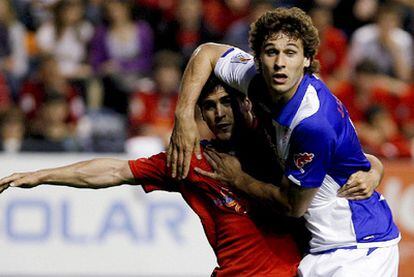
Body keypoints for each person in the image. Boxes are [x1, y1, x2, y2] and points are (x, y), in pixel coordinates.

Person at [0, 76, 383, 276]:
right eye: (208, 107)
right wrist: (40, 174)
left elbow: (341, 157)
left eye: (225, 103)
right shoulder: (194, 160)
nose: (218, 114)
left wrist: (374, 168)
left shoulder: (274, 144)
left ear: (244, 103)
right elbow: (115, 170)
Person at [167, 7, 400, 277]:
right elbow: (207, 52)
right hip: (323, 248)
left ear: (307, 60)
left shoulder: (312, 124)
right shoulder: (255, 81)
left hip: (358, 248)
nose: (279, 62)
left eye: (290, 52)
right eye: (271, 52)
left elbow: (293, 205)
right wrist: (183, 115)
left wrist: (238, 179)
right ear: (258, 57)